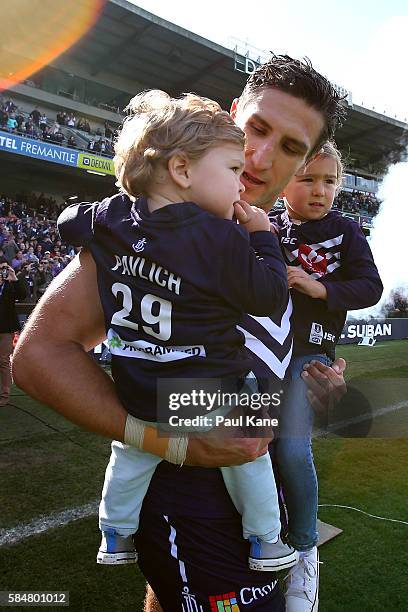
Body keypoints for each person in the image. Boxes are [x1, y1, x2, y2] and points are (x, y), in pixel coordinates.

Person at [13, 55, 347, 611]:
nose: (262, 157)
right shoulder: (150, 223)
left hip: (259, 495)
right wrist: (170, 442)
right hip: (190, 501)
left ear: (307, 161)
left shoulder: (263, 231)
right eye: (257, 129)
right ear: (233, 114)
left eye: (290, 147)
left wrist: (314, 383)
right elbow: (38, 355)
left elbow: (259, 352)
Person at [58, 90, 297, 572]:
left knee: (129, 455)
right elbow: (270, 296)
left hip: (135, 388)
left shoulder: (112, 217)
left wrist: (109, 224)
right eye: (232, 170)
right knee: (253, 445)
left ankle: (116, 534)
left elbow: (68, 221)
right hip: (202, 393)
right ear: (183, 170)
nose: (241, 186)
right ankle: (267, 540)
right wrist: (263, 238)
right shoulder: (218, 235)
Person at [272, 142, 382, 610]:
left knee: (294, 448)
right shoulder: (263, 222)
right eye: (307, 178)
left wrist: (321, 287)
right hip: (252, 356)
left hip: (308, 356)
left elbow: (371, 286)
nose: (320, 191)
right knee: (244, 447)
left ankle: (302, 550)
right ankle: (262, 532)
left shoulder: (348, 232)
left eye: (330, 181)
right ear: (283, 179)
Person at [0, 257, 27, 406]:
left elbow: (22, 295)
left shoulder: (11, 284)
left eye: (4, 268)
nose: (2, 271)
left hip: (5, 329)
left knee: (3, 361)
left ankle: (4, 395)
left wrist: (14, 278)